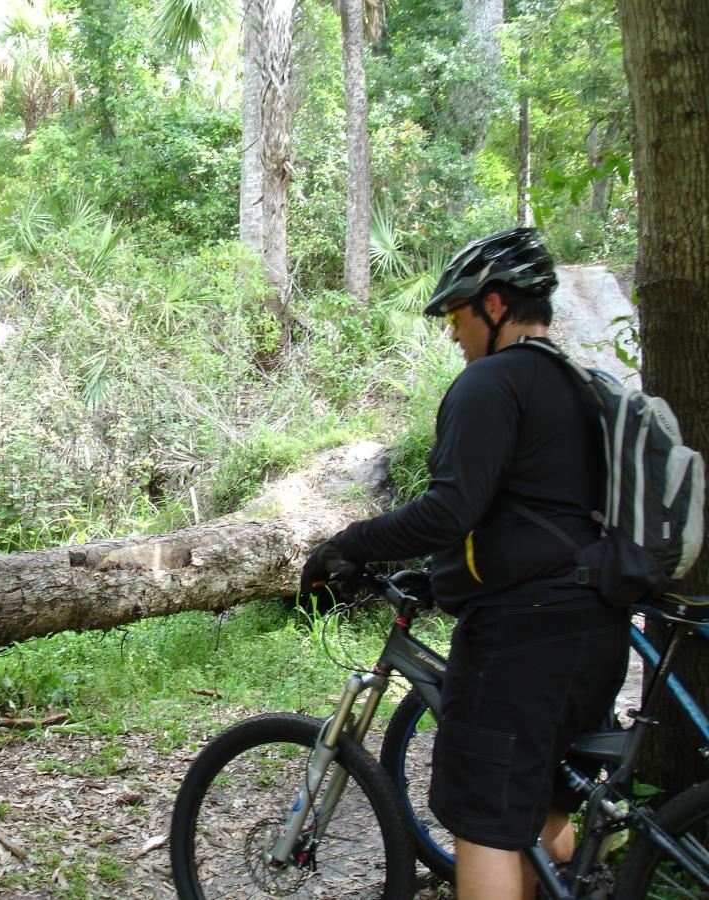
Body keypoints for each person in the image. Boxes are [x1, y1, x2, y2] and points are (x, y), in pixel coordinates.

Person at [301, 227, 630, 900]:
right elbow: (533, 512)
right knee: (542, 815)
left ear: (495, 306)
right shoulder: (580, 386)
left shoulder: (490, 383)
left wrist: (347, 542)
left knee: (483, 824)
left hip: (524, 639)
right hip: (595, 628)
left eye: (457, 317)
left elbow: (450, 510)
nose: (454, 335)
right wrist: (447, 574)